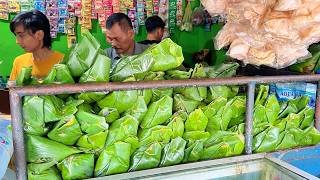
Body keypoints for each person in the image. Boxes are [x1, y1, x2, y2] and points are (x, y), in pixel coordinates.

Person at [9, 10, 64, 81]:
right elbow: (13, 90)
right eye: (16, 36)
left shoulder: (62, 63)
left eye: (21, 35)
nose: (17, 41)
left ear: (39, 35)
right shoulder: (19, 62)